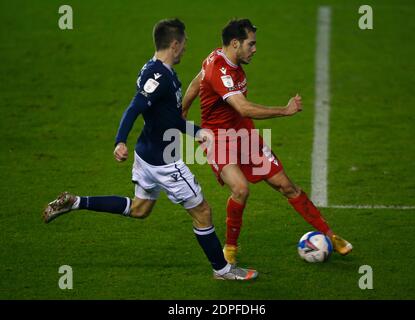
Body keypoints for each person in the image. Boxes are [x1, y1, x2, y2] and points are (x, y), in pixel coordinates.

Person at [43, 18, 257, 281]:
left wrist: (196, 131)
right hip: (164, 161)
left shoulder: (158, 70)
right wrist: (120, 140)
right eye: (185, 43)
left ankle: (75, 202)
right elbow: (135, 108)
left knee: (140, 209)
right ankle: (222, 270)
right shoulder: (159, 77)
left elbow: (167, 118)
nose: (187, 48)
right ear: (175, 45)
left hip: (147, 154)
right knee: (202, 211)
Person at [182, 18, 352, 265]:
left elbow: (197, 81)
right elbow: (243, 107)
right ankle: (230, 247)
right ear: (235, 43)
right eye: (250, 44)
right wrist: (285, 110)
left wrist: (183, 110)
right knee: (240, 189)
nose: (254, 49)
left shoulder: (219, 58)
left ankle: (330, 235)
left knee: (287, 186)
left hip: (245, 136)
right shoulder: (220, 70)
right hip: (218, 140)